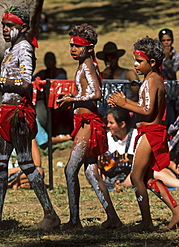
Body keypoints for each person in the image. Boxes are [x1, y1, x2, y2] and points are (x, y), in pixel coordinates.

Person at [0, 5, 60, 230]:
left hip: (19, 113)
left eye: (10, 26)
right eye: (3, 26)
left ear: (24, 27)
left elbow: (26, 85)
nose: (5, 30)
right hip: (7, 111)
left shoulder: (25, 48)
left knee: (27, 163)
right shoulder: (11, 51)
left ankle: (50, 214)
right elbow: (8, 83)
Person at [108, 36, 179, 231]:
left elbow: (147, 110)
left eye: (139, 61)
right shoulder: (150, 79)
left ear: (152, 62)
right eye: (135, 60)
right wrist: (123, 102)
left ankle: (146, 222)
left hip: (151, 132)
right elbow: (144, 106)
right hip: (148, 131)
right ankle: (177, 212)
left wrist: (123, 103)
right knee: (147, 179)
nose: (135, 65)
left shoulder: (152, 80)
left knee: (136, 177)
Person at [56, 23, 122, 229]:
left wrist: (71, 99)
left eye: (77, 45)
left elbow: (96, 93)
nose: (73, 49)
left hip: (88, 123)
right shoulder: (84, 65)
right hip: (84, 121)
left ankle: (75, 221)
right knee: (91, 171)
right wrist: (71, 98)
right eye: (71, 45)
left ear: (90, 48)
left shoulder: (87, 66)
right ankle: (113, 218)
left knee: (70, 170)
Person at [33, 52, 72, 138]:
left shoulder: (60, 72)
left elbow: (60, 82)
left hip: (58, 100)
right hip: (44, 100)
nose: (49, 62)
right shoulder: (42, 73)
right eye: (47, 60)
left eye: (51, 60)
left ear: (55, 61)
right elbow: (34, 81)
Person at [98, 108, 137, 190]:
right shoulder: (107, 137)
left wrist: (130, 158)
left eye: (111, 123)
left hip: (130, 176)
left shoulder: (135, 136)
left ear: (122, 124)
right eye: (107, 122)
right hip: (111, 176)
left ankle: (124, 185)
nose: (108, 126)